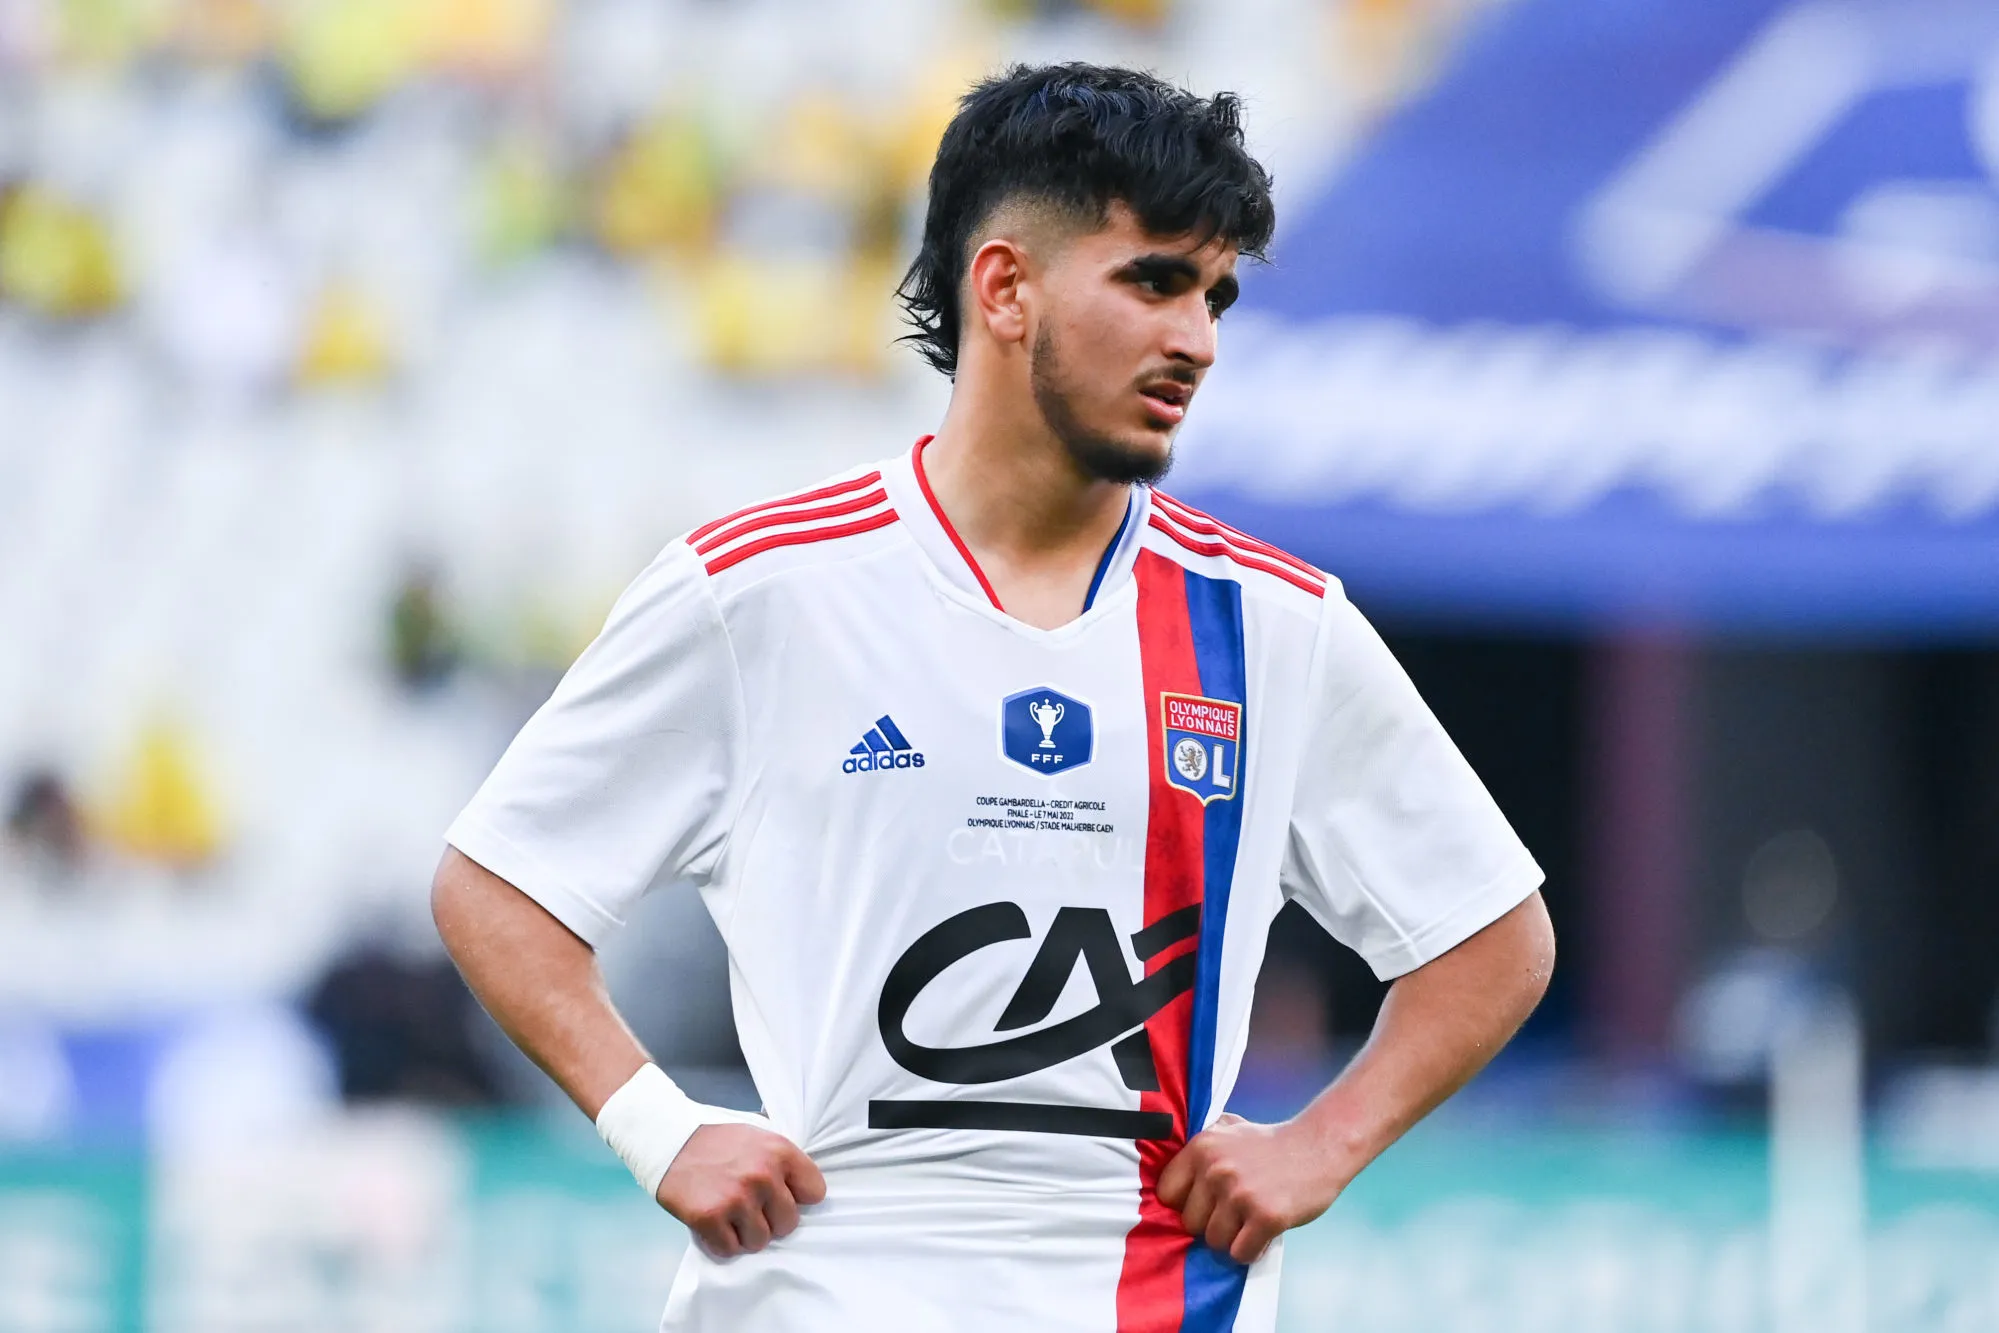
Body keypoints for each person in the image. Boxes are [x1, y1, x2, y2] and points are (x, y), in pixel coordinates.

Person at [433, 63, 1554, 1332]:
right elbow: (498, 883)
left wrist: (1323, 1143)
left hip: (1149, 1300)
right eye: (1153, 282)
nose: (1197, 339)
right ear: (1006, 288)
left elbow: (1492, 936)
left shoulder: (1273, 625)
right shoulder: (761, 592)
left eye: (1215, 295)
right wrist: (656, 1123)